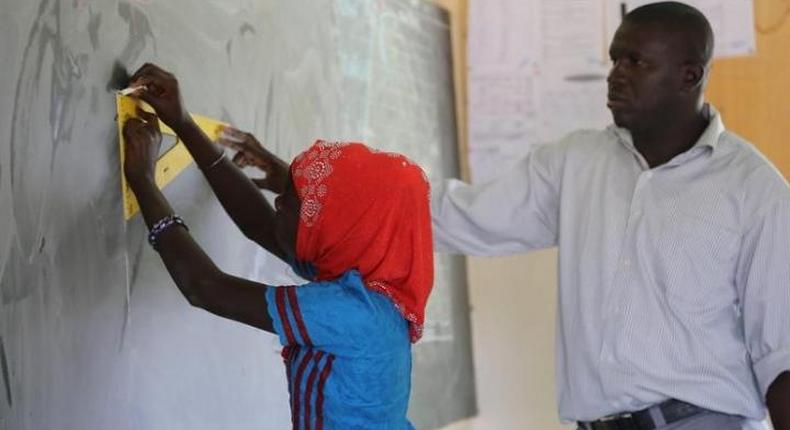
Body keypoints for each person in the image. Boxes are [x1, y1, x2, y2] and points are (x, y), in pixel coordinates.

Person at [229, 2, 790, 430]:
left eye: (635, 61)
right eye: (615, 56)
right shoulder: (577, 161)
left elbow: (780, 349)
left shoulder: (754, 190)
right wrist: (306, 189)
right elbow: (456, 215)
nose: (615, 73)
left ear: (689, 76)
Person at [121, 63, 433, 429]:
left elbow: (206, 289)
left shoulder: (354, 313)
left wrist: (143, 181)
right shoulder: (364, 284)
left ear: (334, 233)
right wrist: (184, 124)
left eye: (292, 200)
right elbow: (260, 226)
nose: (278, 202)